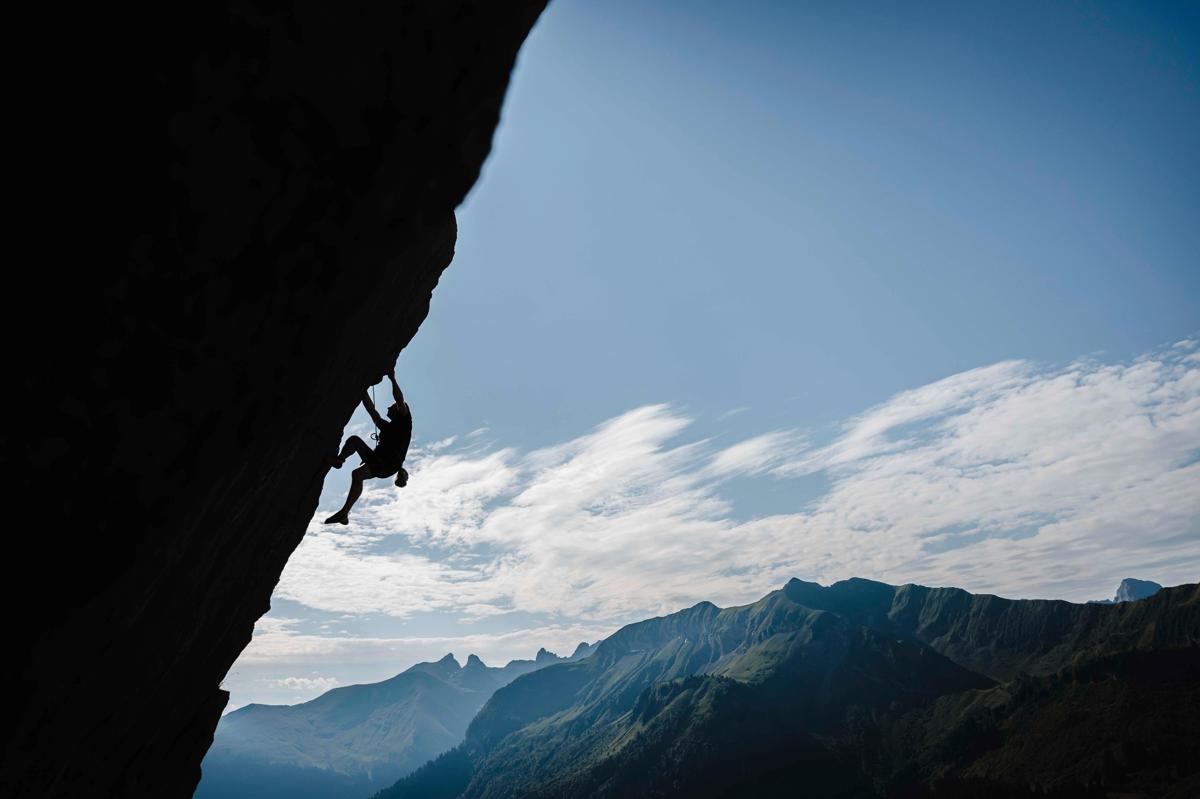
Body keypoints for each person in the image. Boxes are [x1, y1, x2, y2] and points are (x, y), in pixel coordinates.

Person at [324, 367, 412, 524]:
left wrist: (392, 378)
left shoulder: (404, 423)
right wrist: (362, 391)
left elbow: (399, 400)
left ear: (399, 411)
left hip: (388, 463)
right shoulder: (387, 427)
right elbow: (372, 411)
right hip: (384, 462)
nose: (388, 408)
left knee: (357, 473)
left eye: (391, 407)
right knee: (354, 443)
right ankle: (339, 461)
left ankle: (344, 512)